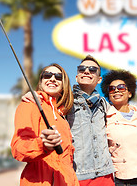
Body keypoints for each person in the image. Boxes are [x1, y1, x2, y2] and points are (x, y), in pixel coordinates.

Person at [22, 55, 115, 186]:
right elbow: (49, 98)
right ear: (77, 77)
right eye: (82, 69)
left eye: (92, 69)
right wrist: (35, 94)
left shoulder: (104, 104)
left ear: (99, 79)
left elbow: (123, 111)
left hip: (106, 174)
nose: (87, 71)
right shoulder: (65, 101)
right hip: (78, 176)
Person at [10, 63, 79, 186]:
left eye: (58, 77)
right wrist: (43, 145)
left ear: (64, 85)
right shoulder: (30, 105)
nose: (52, 78)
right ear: (41, 82)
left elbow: (68, 161)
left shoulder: (62, 117)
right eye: (47, 75)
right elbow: (18, 149)